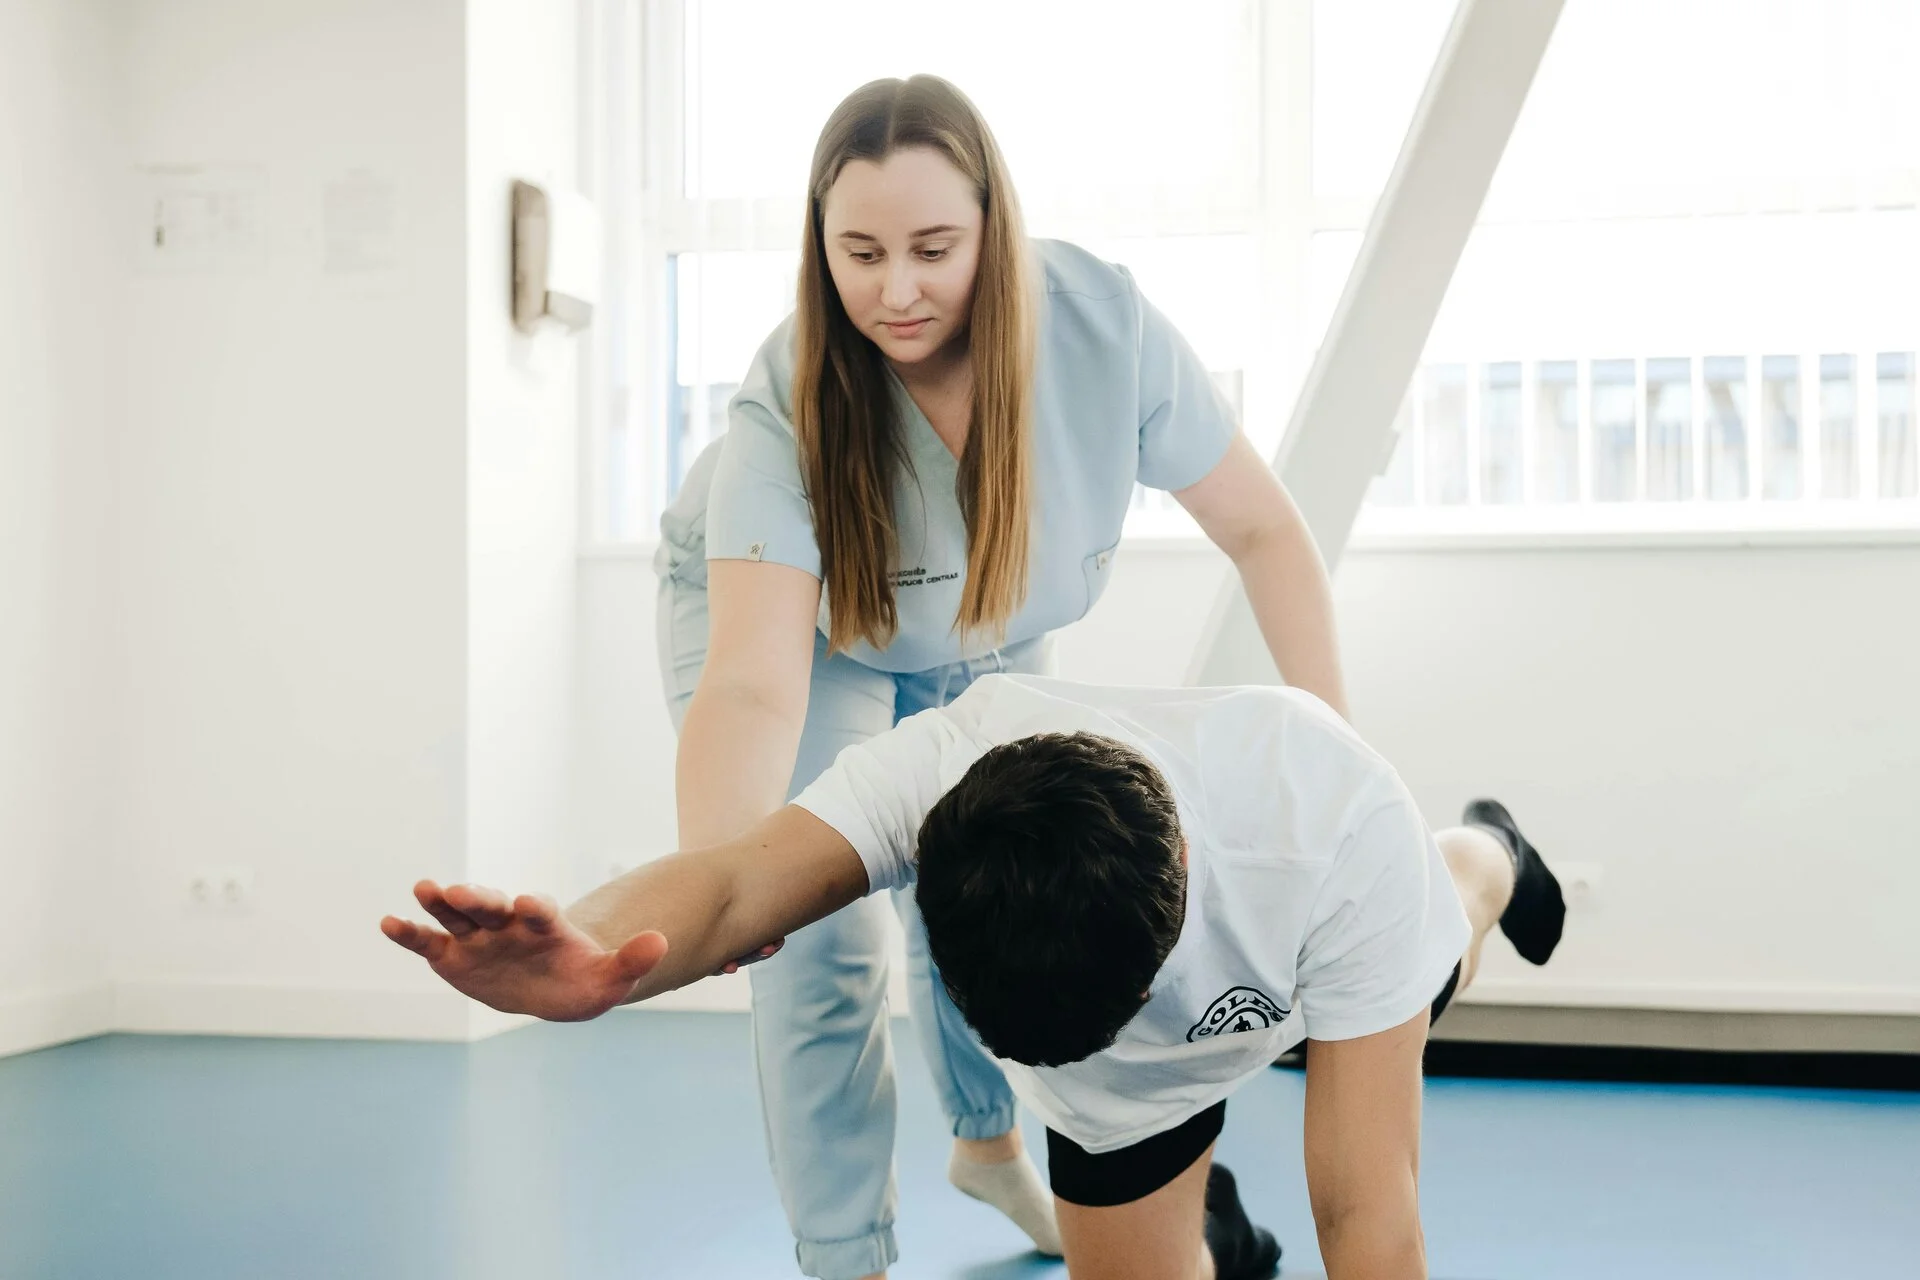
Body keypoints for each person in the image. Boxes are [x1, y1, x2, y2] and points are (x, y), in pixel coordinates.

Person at [656, 73, 1351, 1280]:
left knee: (999, 883)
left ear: (995, 226)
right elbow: (755, 684)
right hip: (803, 632)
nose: (897, 290)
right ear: (820, 249)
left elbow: (1266, 534)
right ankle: (847, 1259)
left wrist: (1339, 759)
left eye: (934, 247)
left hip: (979, 620)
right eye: (859, 253)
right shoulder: (790, 396)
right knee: (820, 941)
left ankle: (988, 1149)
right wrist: (728, 880)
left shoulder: (1101, 329)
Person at [380, 673, 1569, 1280]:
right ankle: (1212, 1223)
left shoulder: (1329, 828)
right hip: (1122, 1098)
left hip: (1332, 938)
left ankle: (1496, 849)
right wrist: (597, 960)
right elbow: (740, 881)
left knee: (1448, 908)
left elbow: (1364, 1207)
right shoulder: (942, 768)